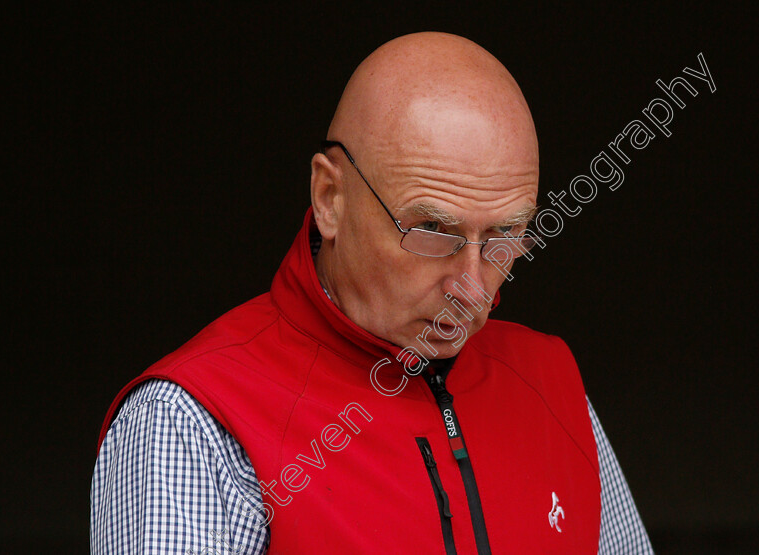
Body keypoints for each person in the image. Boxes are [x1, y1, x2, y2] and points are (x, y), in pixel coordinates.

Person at [91, 32, 653, 554]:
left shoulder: (552, 384)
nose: (472, 288)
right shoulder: (191, 425)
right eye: (434, 232)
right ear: (330, 197)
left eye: (505, 236)